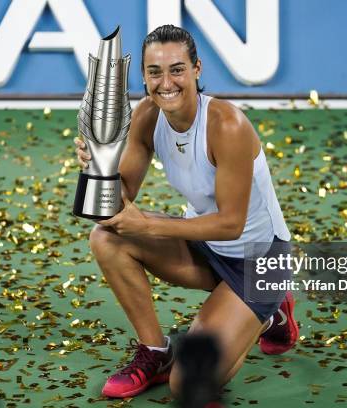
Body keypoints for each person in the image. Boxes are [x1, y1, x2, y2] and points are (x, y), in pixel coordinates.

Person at [73, 25, 299, 399]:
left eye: (177, 69)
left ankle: (268, 310)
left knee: (187, 386)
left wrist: (146, 222)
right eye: (154, 72)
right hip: (208, 251)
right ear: (143, 76)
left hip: (259, 261)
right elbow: (118, 202)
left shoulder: (227, 125)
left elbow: (230, 224)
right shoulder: (147, 115)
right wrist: (99, 165)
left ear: (197, 69)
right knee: (106, 238)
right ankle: (155, 352)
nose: (166, 82)